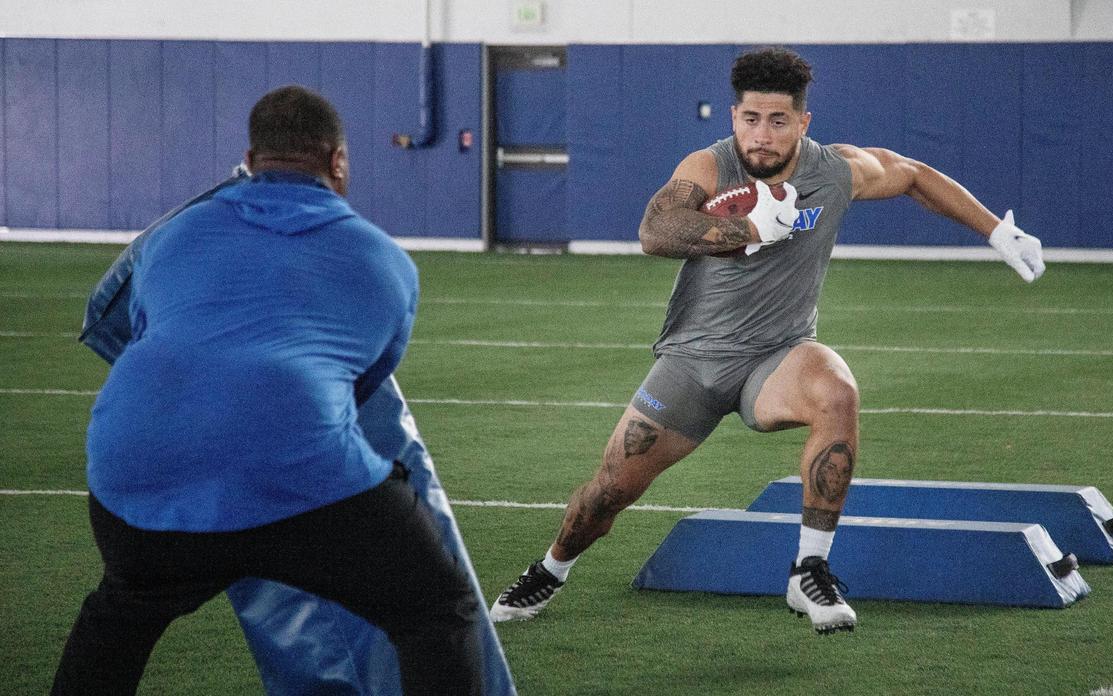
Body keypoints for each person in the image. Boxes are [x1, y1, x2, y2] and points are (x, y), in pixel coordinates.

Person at [489, 47, 1045, 634]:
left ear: (802, 124)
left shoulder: (833, 171)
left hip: (779, 359)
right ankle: (551, 568)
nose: (761, 135)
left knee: (837, 391)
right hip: (693, 364)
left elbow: (911, 175)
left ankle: (809, 570)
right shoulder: (709, 166)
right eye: (751, 119)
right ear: (733, 117)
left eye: (778, 121)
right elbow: (655, 231)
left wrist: (996, 230)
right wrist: (746, 228)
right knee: (606, 495)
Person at [53, 85, 484, 694]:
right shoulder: (384, 259)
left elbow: (144, 332)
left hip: (134, 469)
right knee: (436, 609)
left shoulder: (172, 236)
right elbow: (360, 390)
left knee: (122, 611)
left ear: (251, 160)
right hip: (299, 474)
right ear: (337, 162)